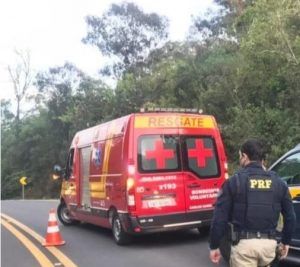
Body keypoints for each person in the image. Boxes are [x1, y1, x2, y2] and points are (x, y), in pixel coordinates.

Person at [209, 139, 296, 267]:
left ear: (244, 156)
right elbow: (290, 217)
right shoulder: (279, 183)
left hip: (243, 247)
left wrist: (214, 245)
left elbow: (219, 218)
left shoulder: (234, 182)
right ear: (262, 159)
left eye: (240, 156)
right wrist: (285, 242)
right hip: (269, 247)